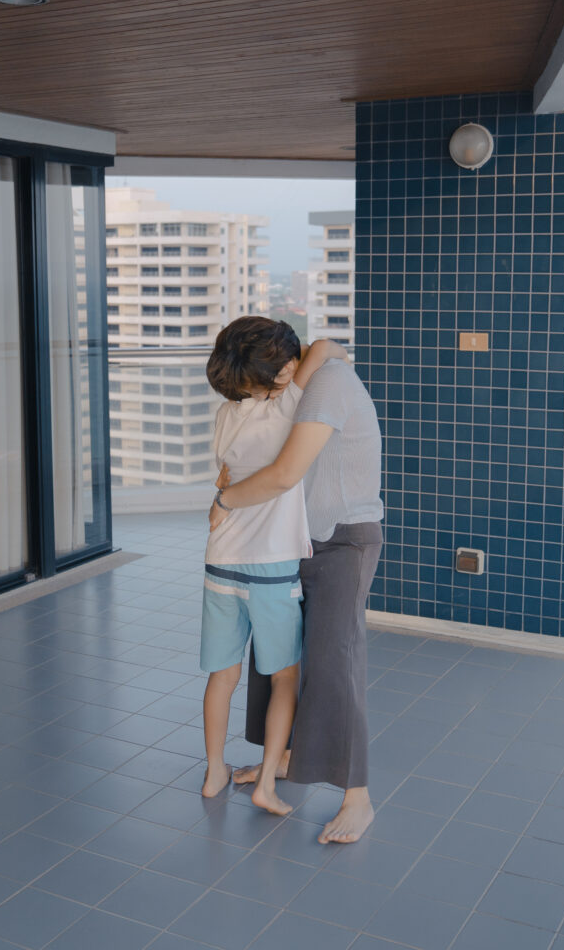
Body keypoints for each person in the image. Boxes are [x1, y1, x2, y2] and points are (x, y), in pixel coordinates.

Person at [209, 337, 383, 844]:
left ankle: (358, 796)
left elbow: (285, 473)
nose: (260, 397)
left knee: (334, 662)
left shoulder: (327, 383)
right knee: (281, 658)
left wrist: (225, 500)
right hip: (294, 539)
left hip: (342, 540)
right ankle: (283, 756)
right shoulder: (296, 379)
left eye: (259, 386)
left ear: (283, 366)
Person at [200, 317, 347, 816]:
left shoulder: (225, 416)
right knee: (285, 677)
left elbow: (225, 474)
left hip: (221, 562)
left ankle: (214, 772)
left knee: (222, 676)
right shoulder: (289, 406)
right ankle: (265, 782)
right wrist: (336, 361)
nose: (289, 369)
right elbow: (324, 347)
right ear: (276, 372)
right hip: (273, 567)